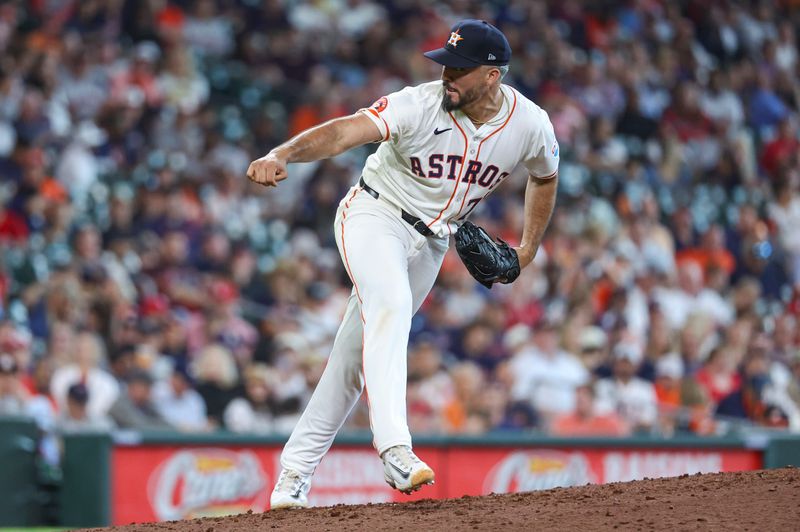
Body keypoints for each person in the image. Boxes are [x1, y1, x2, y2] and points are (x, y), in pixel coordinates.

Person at [247, 19, 559, 509]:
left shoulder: (530, 123)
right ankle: (395, 448)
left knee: (354, 360)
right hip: (375, 215)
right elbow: (347, 131)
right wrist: (284, 151)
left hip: (433, 243)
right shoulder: (419, 104)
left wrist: (527, 249)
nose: (447, 75)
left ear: (493, 75)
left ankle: (292, 476)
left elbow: (545, 176)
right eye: (445, 64)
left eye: (460, 68)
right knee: (389, 305)